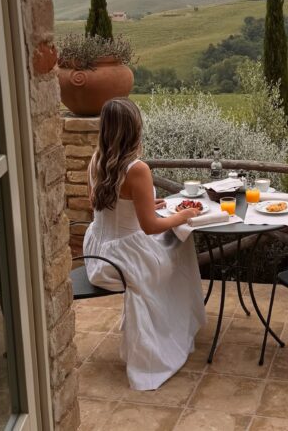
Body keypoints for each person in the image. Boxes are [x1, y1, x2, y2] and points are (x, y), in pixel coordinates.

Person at [83, 98, 206, 391]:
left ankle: (174, 323)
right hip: (123, 260)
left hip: (97, 253)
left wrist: (147, 203)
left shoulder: (96, 158)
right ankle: (174, 330)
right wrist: (183, 216)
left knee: (175, 246)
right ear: (134, 129)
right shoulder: (137, 169)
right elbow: (150, 227)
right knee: (181, 246)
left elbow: (98, 203)